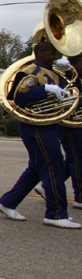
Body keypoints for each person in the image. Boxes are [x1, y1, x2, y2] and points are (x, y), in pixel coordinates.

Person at [0, 41, 81, 229]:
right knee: (54, 168)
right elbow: (19, 97)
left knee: (36, 169)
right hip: (36, 127)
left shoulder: (52, 72)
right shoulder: (31, 72)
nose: (54, 56)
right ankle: (56, 214)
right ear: (40, 54)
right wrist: (45, 89)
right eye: (51, 53)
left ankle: (7, 202)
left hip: (47, 125)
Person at [60, 54, 82, 210]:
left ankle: (47, 187)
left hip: (74, 123)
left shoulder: (76, 78)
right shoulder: (66, 77)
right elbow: (72, 100)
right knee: (78, 160)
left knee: (72, 160)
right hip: (69, 125)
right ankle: (79, 197)